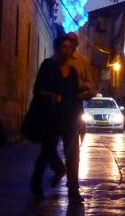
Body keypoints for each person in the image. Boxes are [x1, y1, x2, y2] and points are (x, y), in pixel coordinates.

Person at [30, 35, 84, 203]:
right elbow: (37, 89)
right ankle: (36, 185)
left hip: (69, 118)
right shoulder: (48, 66)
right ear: (57, 49)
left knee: (73, 155)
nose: (66, 51)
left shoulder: (73, 72)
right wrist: (50, 95)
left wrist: (81, 121)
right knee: (47, 152)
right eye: (63, 47)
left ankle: (73, 191)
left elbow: (76, 97)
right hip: (51, 117)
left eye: (69, 48)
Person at [66, 31, 97, 143]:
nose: (69, 44)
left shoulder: (82, 62)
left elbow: (92, 87)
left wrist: (82, 91)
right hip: (57, 108)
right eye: (67, 40)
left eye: (72, 41)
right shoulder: (55, 61)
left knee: (73, 144)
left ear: (77, 44)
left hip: (74, 107)